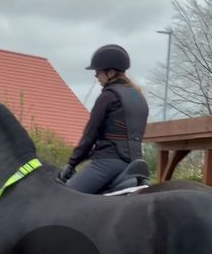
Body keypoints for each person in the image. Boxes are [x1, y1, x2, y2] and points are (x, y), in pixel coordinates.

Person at [59, 44, 149, 193]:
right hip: (135, 165)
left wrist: (72, 164)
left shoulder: (108, 96)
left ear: (111, 72)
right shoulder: (139, 97)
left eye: (98, 71)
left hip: (107, 163)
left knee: (64, 197)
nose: (95, 75)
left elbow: (89, 136)